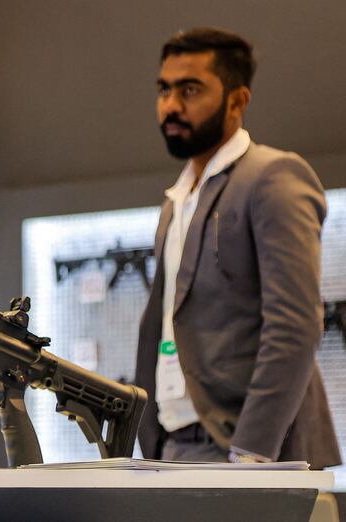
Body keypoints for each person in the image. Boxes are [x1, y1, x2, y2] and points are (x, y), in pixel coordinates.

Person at [134, 27, 341, 468]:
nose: (171, 105)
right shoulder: (176, 201)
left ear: (237, 100)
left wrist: (252, 451)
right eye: (164, 89)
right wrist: (148, 438)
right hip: (174, 447)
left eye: (190, 90)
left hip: (252, 451)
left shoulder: (274, 177)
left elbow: (295, 324)